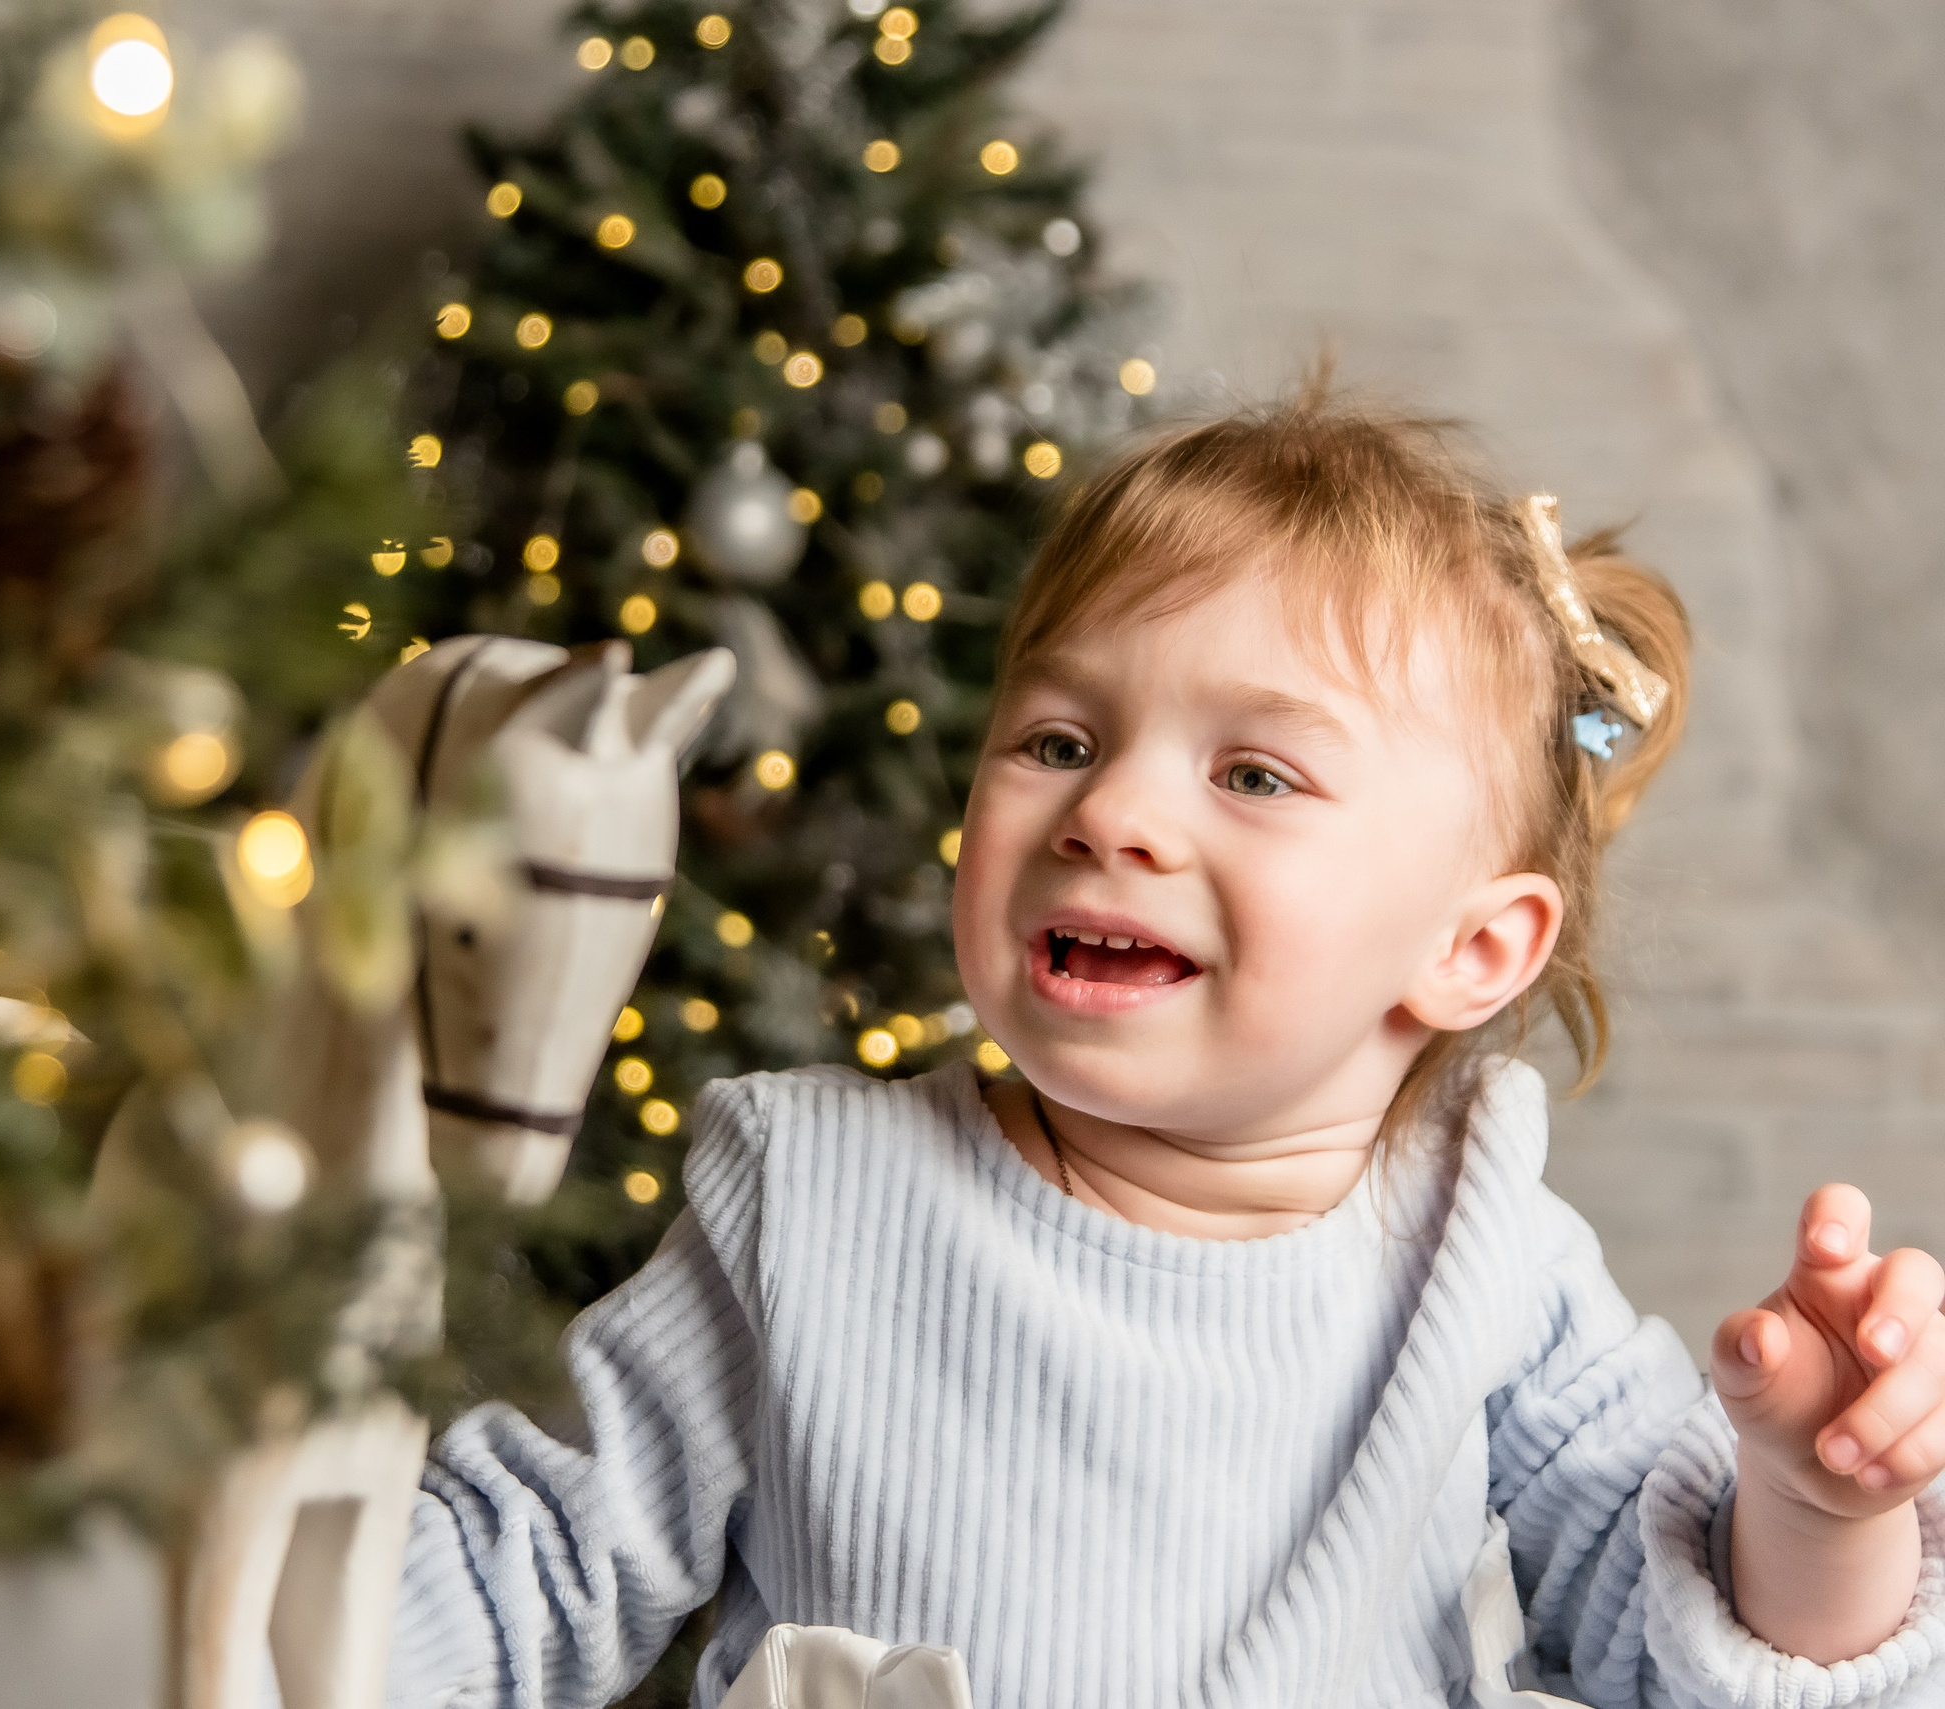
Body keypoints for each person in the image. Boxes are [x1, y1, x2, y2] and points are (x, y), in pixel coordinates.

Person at [384, 388, 1945, 1708]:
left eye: (1256, 774)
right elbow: (528, 1557)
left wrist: (1817, 1509)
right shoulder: (812, 1198)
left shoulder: (1495, 1261)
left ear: (1470, 949)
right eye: (1057, 739)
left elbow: (1677, 1638)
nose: (1111, 813)